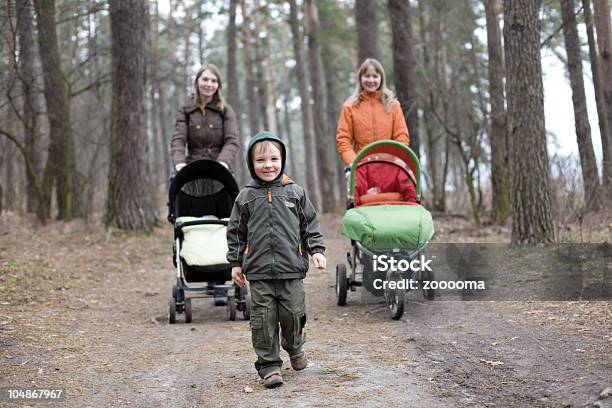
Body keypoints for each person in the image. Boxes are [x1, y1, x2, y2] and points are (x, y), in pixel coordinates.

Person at [227, 131, 326, 389]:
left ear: (282, 159)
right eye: (260, 161)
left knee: (293, 315)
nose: (268, 165)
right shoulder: (246, 197)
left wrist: (316, 250)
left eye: (274, 159)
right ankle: (269, 365)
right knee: (263, 320)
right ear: (251, 164)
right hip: (259, 273)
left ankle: (295, 348)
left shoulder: (294, 193)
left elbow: (309, 225)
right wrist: (236, 262)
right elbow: (236, 232)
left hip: (291, 270)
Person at [336, 58, 410, 167]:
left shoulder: (392, 105)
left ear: (381, 79)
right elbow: (343, 140)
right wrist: (354, 163)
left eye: (375, 76)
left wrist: (394, 160)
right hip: (361, 168)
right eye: (367, 76)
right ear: (360, 78)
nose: (371, 80)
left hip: (389, 167)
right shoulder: (349, 107)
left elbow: (402, 136)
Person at [170, 64, 239, 172]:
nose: (209, 84)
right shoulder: (185, 109)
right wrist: (179, 162)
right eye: (205, 79)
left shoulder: (225, 110)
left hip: (220, 168)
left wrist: (223, 162)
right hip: (192, 166)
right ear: (197, 81)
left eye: (213, 81)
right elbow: (179, 139)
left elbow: (232, 140)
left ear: (218, 85)